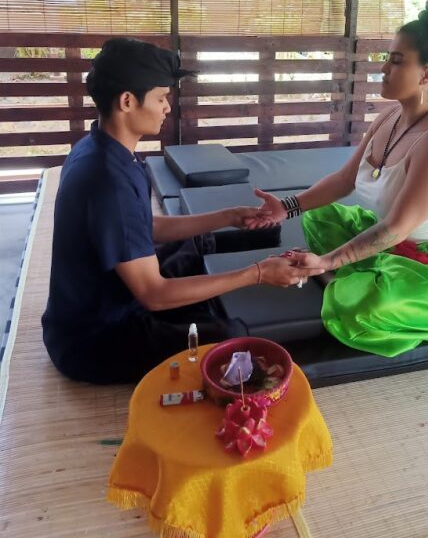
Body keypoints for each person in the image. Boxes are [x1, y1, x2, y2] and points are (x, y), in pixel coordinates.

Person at [42, 38, 323, 384]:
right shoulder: (106, 180)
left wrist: (228, 216)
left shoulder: (101, 148)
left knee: (197, 246)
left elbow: (143, 227)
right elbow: (154, 294)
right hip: (96, 340)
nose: (167, 108)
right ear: (127, 101)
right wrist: (258, 273)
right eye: (161, 97)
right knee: (235, 342)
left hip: (107, 300)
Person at [247, 0, 428, 357]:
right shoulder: (389, 117)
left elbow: (396, 228)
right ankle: (349, 273)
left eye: (396, 61)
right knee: (319, 216)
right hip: (391, 241)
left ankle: (343, 277)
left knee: (361, 313)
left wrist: (327, 262)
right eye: (387, 58)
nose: (383, 69)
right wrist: (286, 207)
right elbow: (343, 181)